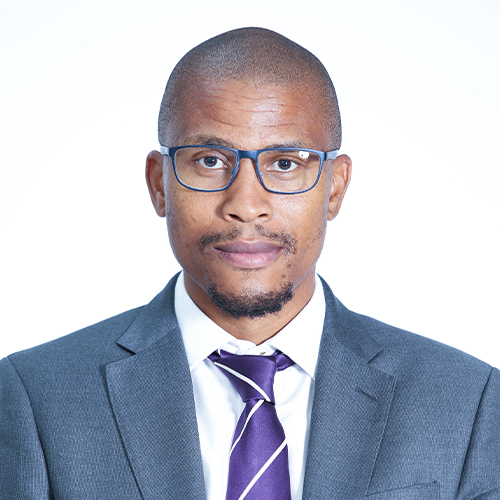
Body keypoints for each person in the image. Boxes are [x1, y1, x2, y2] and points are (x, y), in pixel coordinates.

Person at [0, 27, 499, 500]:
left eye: (285, 163)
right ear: (159, 184)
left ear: (335, 188)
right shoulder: (35, 398)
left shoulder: (468, 404)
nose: (245, 204)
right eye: (209, 161)